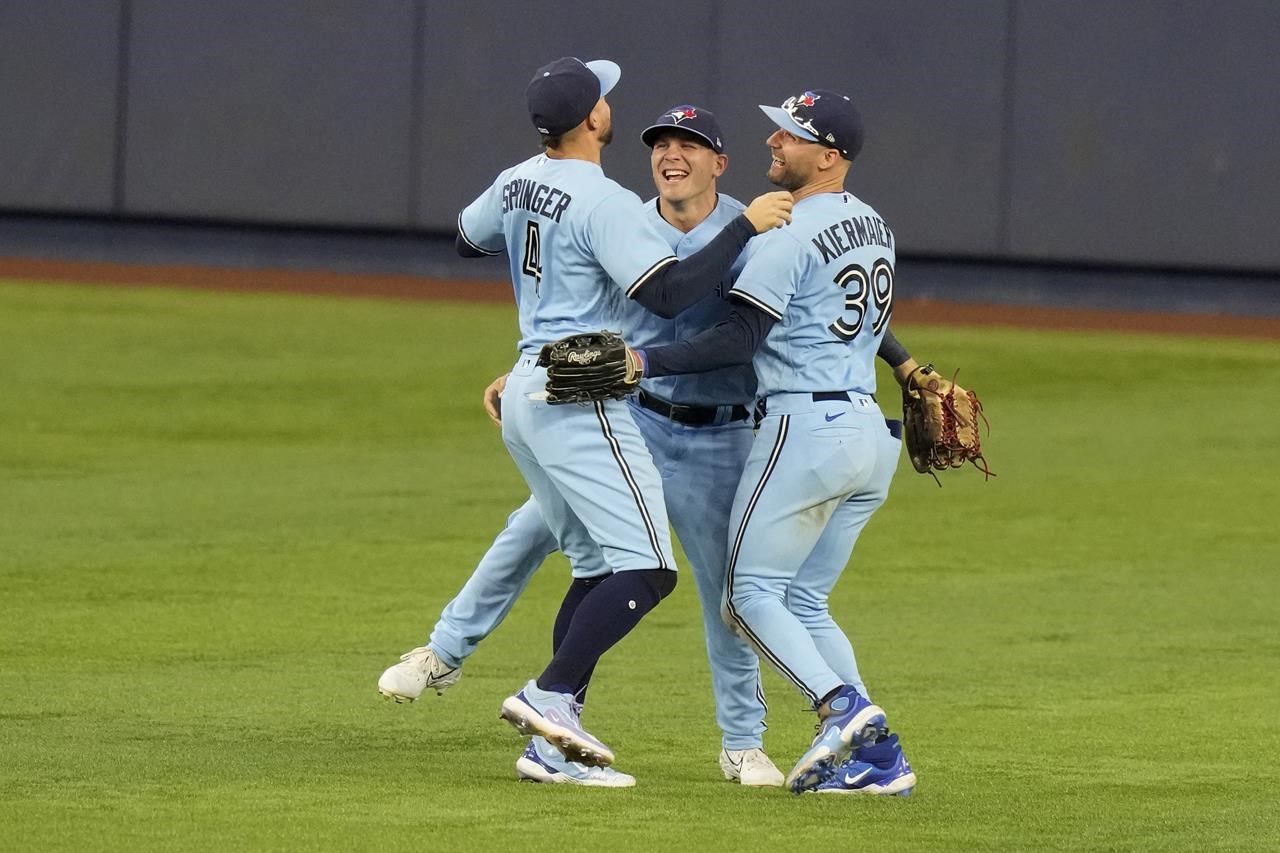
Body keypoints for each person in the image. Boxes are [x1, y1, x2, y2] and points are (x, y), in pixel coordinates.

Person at [381, 103, 787, 788]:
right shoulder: (624, 219)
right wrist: (537, 364)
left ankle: (742, 742)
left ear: (720, 161)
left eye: (690, 144)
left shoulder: (754, 228)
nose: (671, 154)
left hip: (718, 433)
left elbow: (737, 336)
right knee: (535, 530)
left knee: (725, 592)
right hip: (633, 418)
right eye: (661, 143)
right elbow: (592, 318)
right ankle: (448, 657)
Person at [630, 89, 919, 796]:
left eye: (789, 136)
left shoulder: (787, 233)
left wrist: (645, 362)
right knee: (805, 601)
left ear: (826, 155)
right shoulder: (872, 224)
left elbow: (736, 336)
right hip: (870, 438)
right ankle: (880, 760)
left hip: (805, 431)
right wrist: (910, 364)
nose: (773, 143)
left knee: (748, 594)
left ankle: (843, 710)